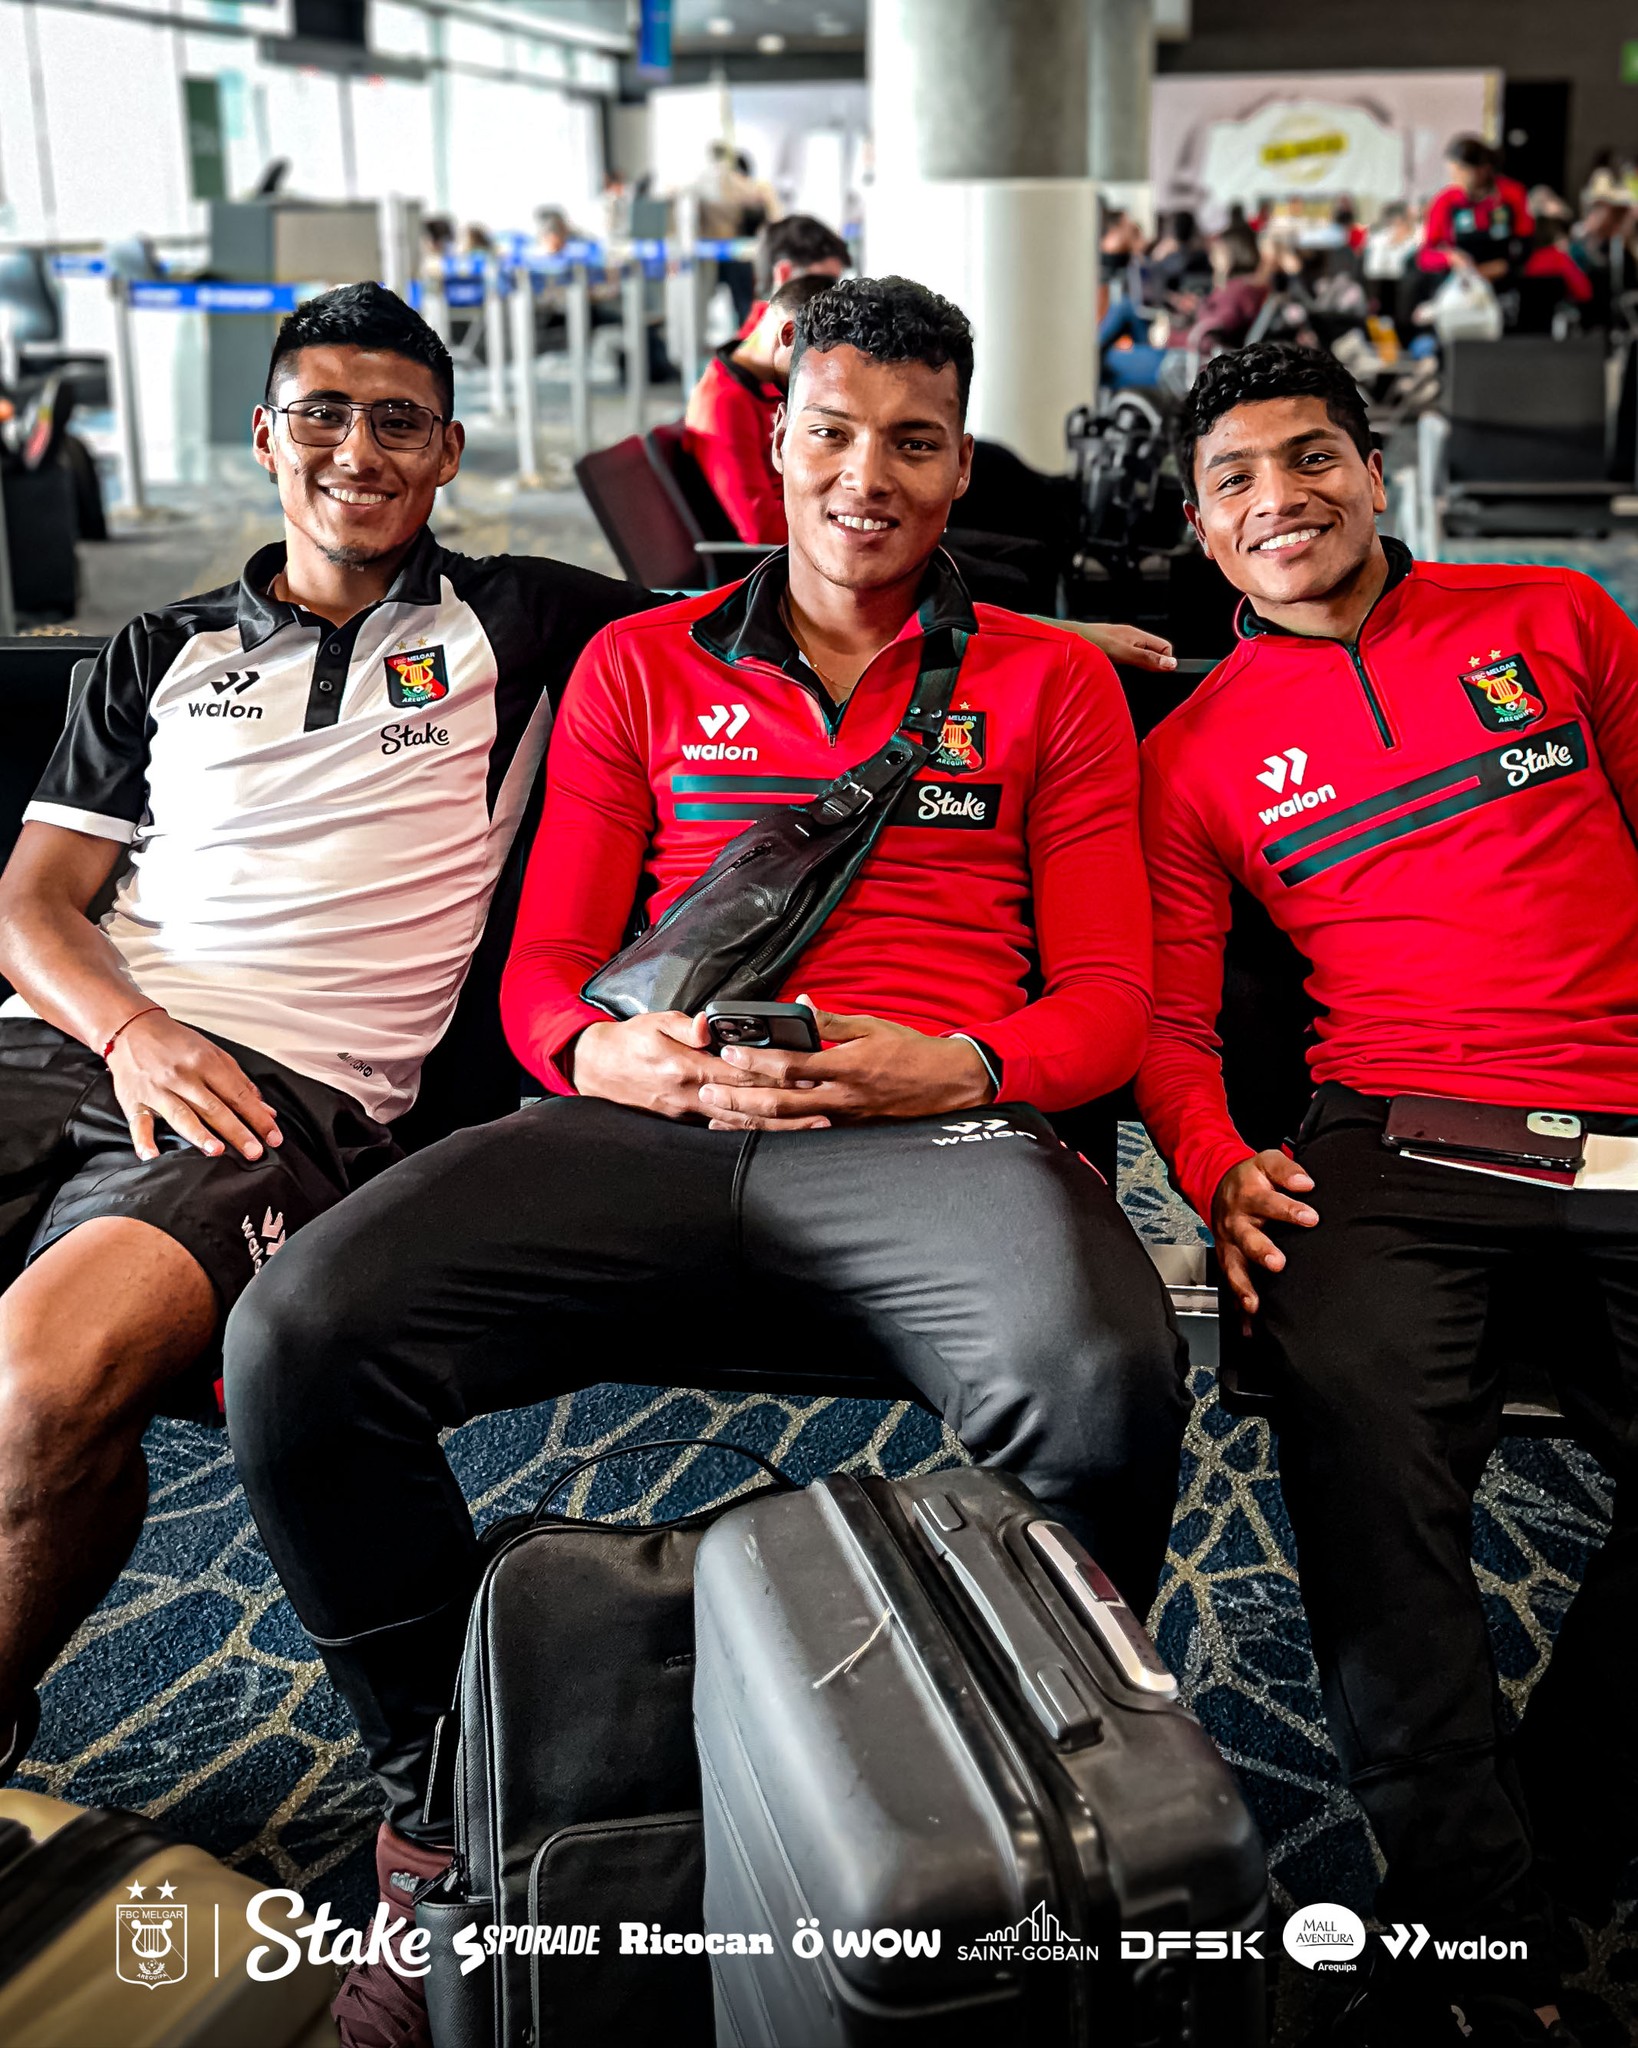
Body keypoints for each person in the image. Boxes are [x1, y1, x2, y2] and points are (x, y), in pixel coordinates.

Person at [224, 275, 1192, 2045]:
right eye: (828, 432)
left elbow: (1110, 1002)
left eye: (912, 442)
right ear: (776, 440)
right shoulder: (642, 664)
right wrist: (604, 1053)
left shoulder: (1049, 681)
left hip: (932, 1129)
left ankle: (1028, 1816)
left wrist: (955, 1062)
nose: (864, 476)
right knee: (298, 1336)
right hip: (645, 1119)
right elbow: (544, 971)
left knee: (1104, 1380)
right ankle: (438, 1804)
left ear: (958, 463)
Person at [0, 282, 652, 1823]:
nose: (357, 449)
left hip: (283, 1094)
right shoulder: (159, 647)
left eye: (398, 421)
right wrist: (131, 1027)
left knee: (37, 1388)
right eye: (323, 413)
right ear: (265, 434)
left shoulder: (516, 618)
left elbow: (791, 608)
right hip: (74, 1033)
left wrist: (1028, 642)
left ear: (448, 453)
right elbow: (30, 903)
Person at [1136, 339, 1637, 2047]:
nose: (1278, 498)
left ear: (1369, 469)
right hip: (1396, 1133)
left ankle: (1555, 1828)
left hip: (1624, 1106)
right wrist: (1213, 1160)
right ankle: (1474, 1923)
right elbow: (1166, 1020)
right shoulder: (1196, 751)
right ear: (1200, 528)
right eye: (1233, 480)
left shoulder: (1554, 619)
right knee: (1349, 1422)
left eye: (1309, 457)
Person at [682, 271, 839, 543]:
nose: (821, 372)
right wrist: (838, 527)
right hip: (781, 555)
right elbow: (760, 527)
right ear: (789, 334)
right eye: (817, 358)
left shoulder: (768, 379)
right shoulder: (724, 403)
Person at [1420, 136, 1533, 284]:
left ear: (1482, 169)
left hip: (1505, 279)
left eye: (1460, 172)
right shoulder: (1444, 201)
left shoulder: (1512, 194)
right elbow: (1425, 256)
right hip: (1462, 282)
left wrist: (1505, 266)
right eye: (1452, 173)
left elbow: (1526, 243)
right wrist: (1450, 258)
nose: (1455, 180)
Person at [739, 212, 851, 336]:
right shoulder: (752, 344)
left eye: (836, 285)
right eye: (823, 285)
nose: (832, 298)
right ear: (784, 274)